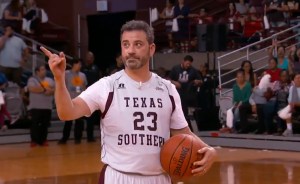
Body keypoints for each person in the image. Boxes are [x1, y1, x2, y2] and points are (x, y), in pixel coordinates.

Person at [40, 20, 216, 184]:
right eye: (126, 44)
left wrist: (209, 149)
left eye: (138, 44)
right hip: (118, 177)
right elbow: (66, 112)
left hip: (158, 178)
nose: (130, 50)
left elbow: (182, 133)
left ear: (151, 49)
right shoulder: (107, 86)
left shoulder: (168, 90)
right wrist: (59, 79)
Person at [58, 58, 87, 144]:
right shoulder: (66, 74)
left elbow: (84, 88)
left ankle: (78, 138)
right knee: (68, 121)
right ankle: (64, 138)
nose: (80, 66)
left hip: (79, 101)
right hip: (69, 101)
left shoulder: (82, 75)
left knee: (79, 122)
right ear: (74, 64)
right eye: (79, 64)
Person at [169, 55, 202, 131]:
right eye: (187, 64)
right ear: (183, 61)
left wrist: (197, 82)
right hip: (177, 93)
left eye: (189, 64)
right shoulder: (175, 69)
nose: (188, 66)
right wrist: (174, 82)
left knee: (186, 112)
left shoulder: (193, 70)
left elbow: (200, 80)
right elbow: (168, 79)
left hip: (188, 93)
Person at [27, 65, 55, 147]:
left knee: (45, 125)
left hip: (47, 106)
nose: (45, 71)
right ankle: (34, 141)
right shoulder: (32, 80)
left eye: (45, 69)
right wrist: (45, 89)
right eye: (42, 69)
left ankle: (43, 140)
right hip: (35, 106)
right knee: (34, 124)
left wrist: (49, 90)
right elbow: (32, 89)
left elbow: (54, 89)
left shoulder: (50, 80)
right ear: (37, 72)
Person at [82, 51, 101, 142]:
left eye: (91, 57)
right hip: (83, 95)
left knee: (91, 118)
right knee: (80, 118)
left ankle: (90, 137)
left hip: (94, 96)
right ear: (86, 58)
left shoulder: (96, 68)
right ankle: (78, 137)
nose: (90, 59)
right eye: (88, 57)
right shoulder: (82, 68)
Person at [272, 70, 292, 135]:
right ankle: (280, 128)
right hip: (278, 102)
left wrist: (286, 88)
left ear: (288, 76)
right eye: (283, 76)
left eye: (286, 76)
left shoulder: (292, 83)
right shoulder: (277, 83)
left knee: (281, 105)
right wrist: (281, 88)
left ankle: (280, 128)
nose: (284, 78)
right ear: (280, 77)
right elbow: (273, 92)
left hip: (288, 102)